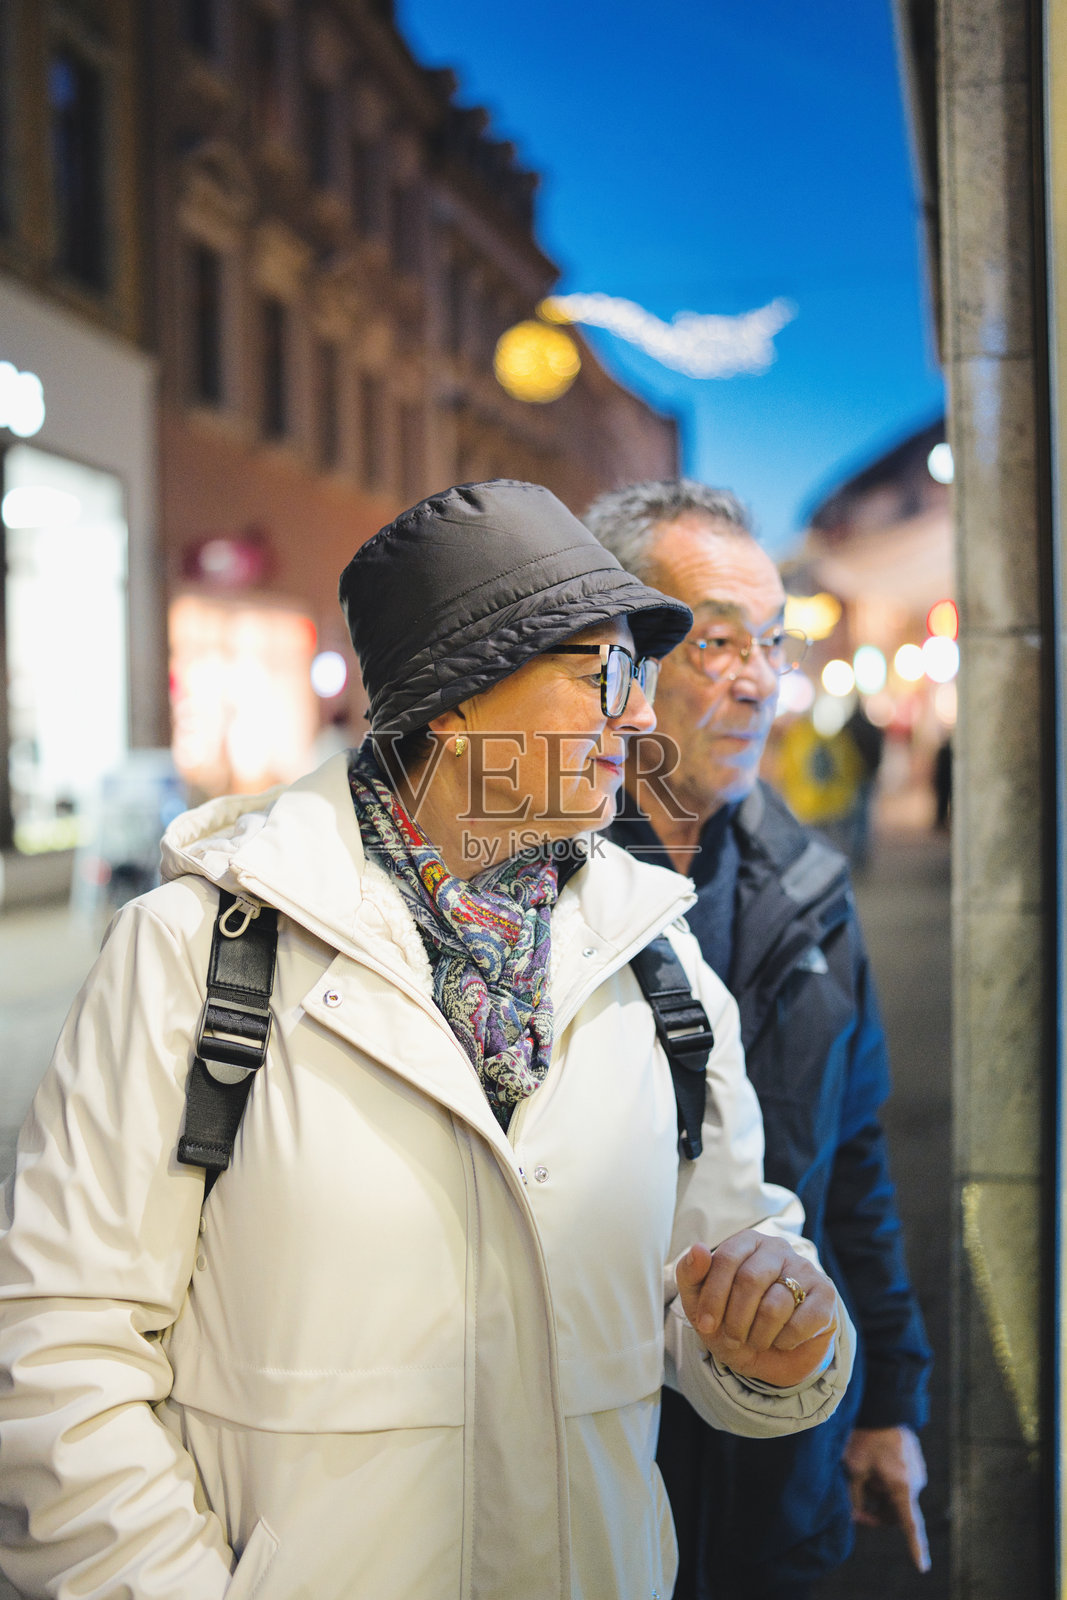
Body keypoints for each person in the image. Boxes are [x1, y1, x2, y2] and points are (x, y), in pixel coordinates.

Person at [0, 480, 855, 1600]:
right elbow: (59, 1358)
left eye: (638, 675)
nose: (636, 716)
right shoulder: (192, 955)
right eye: (601, 672)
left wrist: (780, 1341)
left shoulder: (657, 963)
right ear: (452, 701)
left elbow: (718, 1270)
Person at [587, 479, 932, 1600]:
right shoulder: (530, 897)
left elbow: (854, 1167)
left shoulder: (811, 893)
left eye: (770, 643)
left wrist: (884, 1402)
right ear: (619, 654)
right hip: (587, 1481)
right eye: (716, 640)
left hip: (781, 1472)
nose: (754, 679)